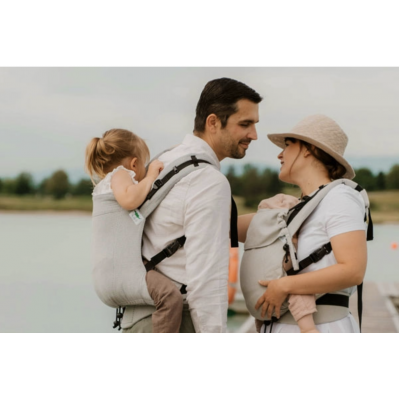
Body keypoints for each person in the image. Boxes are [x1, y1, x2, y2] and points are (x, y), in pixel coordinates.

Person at [121, 77, 262, 333]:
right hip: (176, 321)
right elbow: (207, 279)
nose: (254, 134)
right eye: (245, 124)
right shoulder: (208, 181)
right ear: (213, 122)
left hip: (139, 317)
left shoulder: (166, 160)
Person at [240, 114, 367, 333]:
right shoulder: (293, 209)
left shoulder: (339, 198)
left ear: (309, 149)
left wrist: (283, 285)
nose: (280, 154)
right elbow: (223, 226)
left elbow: (353, 270)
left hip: (323, 328)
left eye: (288, 145)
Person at [85, 128, 186, 333]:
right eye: (143, 165)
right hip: (123, 275)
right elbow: (130, 200)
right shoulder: (120, 175)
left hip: (106, 279)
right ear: (134, 164)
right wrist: (150, 177)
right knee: (170, 297)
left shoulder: (107, 184)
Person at [239, 194, 320, 333]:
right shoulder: (288, 228)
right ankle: (308, 329)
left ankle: (261, 328)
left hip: (255, 301)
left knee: (265, 307)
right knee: (298, 288)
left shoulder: (257, 228)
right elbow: (291, 258)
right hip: (277, 290)